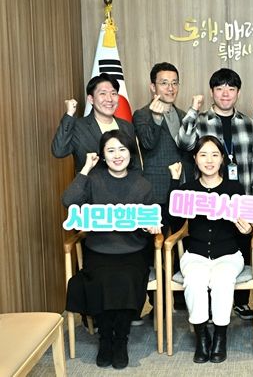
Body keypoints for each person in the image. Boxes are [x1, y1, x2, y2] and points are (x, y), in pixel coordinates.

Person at [62, 130, 158, 369]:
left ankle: (121, 340)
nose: (117, 155)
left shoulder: (142, 184)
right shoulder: (93, 179)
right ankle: (105, 339)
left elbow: (151, 221)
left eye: (122, 149)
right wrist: (86, 168)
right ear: (102, 155)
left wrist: (151, 227)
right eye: (111, 150)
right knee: (101, 280)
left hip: (133, 251)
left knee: (125, 279)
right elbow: (69, 201)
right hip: (99, 250)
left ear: (130, 153)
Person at [177, 67, 253, 320]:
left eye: (231, 89)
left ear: (238, 93)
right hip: (209, 197)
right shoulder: (201, 120)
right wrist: (193, 110)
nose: (225, 94)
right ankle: (206, 306)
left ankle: (240, 302)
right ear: (212, 92)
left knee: (240, 246)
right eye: (220, 89)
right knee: (211, 243)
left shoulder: (247, 123)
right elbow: (184, 143)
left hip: (240, 195)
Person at [168, 136, 253, 363]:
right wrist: (174, 182)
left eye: (215, 155)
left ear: (222, 159)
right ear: (195, 159)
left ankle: (220, 337)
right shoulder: (188, 189)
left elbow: (246, 228)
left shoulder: (234, 188)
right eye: (203, 155)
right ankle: (202, 337)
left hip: (229, 255)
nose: (209, 160)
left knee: (222, 280)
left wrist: (247, 230)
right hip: (195, 254)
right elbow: (174, 223)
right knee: (195, 280)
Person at [133, 62, 194, 234]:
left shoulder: (184, 115)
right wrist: (156, 118)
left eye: (174, 83)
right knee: (157, 243)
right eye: (164, 83)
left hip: (183, 189)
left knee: (182, 240)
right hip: (157, 190)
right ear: (153, 87)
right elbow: (148, 143)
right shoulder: (142, 115)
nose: (170, 88)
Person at [52, 73, 141, 172]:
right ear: (91, 99)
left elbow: (135, 164)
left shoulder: (127, 126)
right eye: (103, 93)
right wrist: (69, 114)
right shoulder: (78, 127)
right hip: (90, 182)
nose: (109, 99)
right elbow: (59, 151)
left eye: (113, 93)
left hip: (125, 182)